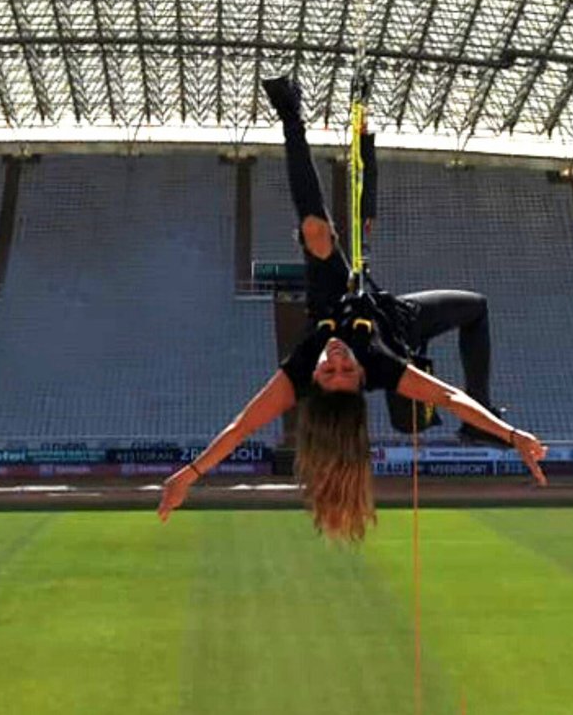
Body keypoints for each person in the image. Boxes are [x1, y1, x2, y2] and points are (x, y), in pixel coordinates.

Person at [158, 77, 547, 541]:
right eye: (347, 372)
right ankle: (480, 419)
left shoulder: (301, 369)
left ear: (315, 380)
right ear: (362, 380)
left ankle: (290, 116)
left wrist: (189, 474)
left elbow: (242, 426)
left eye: (329, 372)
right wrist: (508, 433)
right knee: (477, 309)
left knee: (316, 230)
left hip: (335, 299)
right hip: (398, 322)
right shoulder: (380, 365)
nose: (338, 360)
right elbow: (449, 397)